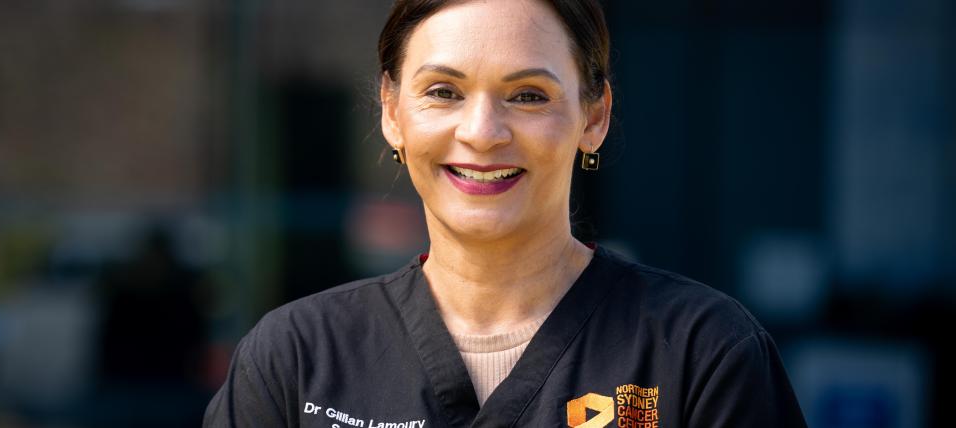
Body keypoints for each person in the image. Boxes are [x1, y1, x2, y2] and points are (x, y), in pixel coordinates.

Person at [204, 0, 807, 426]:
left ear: (593, 117)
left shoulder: (703, 355)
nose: (483, 132)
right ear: (392, 112)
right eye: (443, 91)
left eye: (527, 95)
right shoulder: (295, 359)